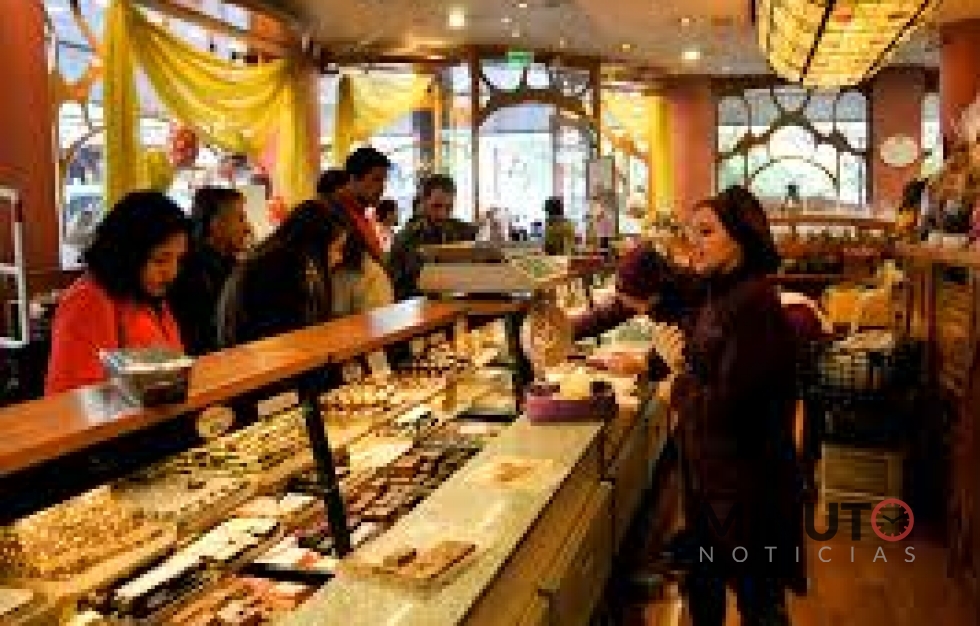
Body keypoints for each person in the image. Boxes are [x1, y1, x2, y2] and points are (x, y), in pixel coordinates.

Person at [667, 185, 804, 626]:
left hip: (747, 490)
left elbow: (731, 406)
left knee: (758, 602)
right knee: (707, 590)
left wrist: (677, 379)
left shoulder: (755, 303)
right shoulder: (719, 293)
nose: (695, 243)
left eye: (707, 232)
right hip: (714, 479)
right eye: (692, 233)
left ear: (741, 237)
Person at [46, 191, 190, 395]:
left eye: (179, 259)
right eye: (160, 260)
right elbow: (70, 398)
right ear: (127, 254)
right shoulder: (89, 301)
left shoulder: (149, 296)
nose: (172, 272)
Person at [217, 200, 359, 347]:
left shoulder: (276, 260)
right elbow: (289, 336)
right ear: (317, 245)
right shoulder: (280, 270)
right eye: (337, 249)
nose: (340, 258)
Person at [169, 187, 251, 356]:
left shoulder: (229, 263)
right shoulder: (190, 273)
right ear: (215, 224)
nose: (247, 227)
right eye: (240, 218)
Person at [320, 149, 394, 311]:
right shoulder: (332, 214)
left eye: (384, 181)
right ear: (353, 179)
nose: (382, 188)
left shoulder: (359, 213)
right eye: (376, 180)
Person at [388, 174, 478, 301]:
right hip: (420, 305)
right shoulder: (405, 239)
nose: (442, 214)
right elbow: (395, 288)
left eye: (449, 208)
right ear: (423, 202)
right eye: (436, 206)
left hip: (460, 304)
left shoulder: (467, 233)